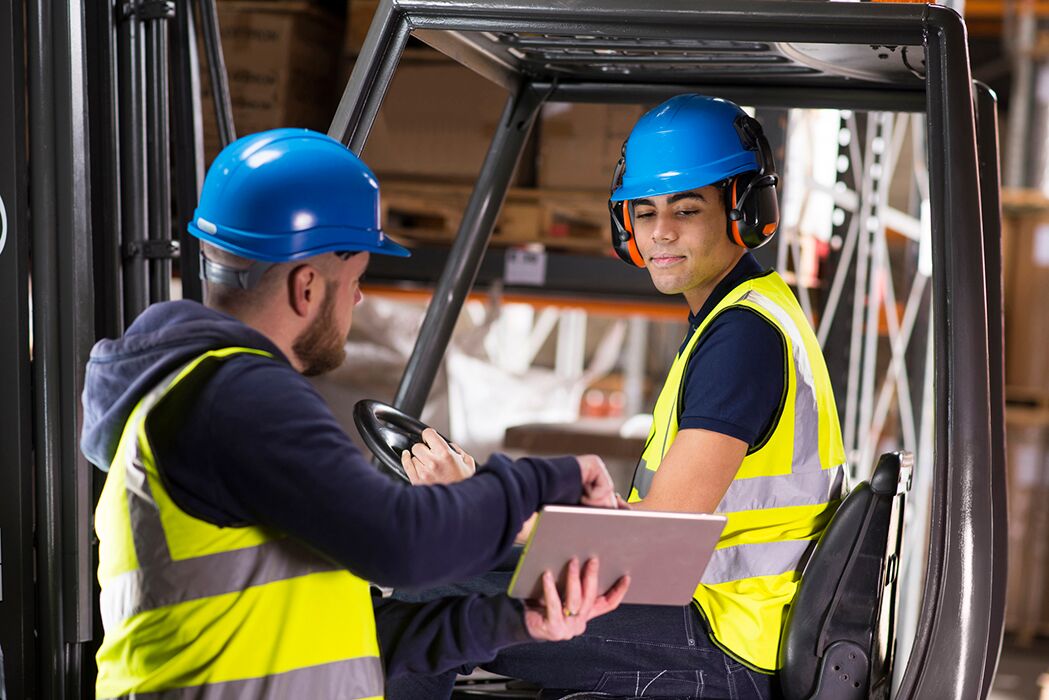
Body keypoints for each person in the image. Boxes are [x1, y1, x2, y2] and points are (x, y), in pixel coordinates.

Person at [80, 128, 629, 699]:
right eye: (358, 281)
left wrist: (517, 618)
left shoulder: (209, 398)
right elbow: (403, 542)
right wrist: (551, 480)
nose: (360, 300)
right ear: (307, 286)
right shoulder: (234, 397)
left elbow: (353, 637)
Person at [388, 94, 847, 700]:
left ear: (744, 212)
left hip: (720, 644)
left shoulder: (743, 339)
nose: (659, 232)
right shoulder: (738, 316)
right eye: (644, 210)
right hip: (703, 616)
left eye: (686, 210)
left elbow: (660, 539)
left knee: (426, 607)